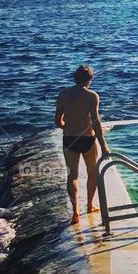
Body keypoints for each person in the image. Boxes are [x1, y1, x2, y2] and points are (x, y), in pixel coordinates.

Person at [55, 64, 109, 225]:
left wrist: (69, 127)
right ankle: (90, 205)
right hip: (87, 139)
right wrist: (104, 146)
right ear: (90, 80)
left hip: (69, 138)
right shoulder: (92, 96)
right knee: (92, 173)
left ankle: (75, 212)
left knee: (72, 176)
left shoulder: (63, 95)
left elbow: (58, 121)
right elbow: (96, 122)